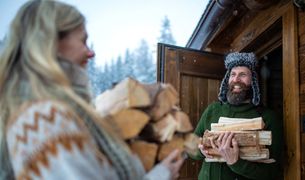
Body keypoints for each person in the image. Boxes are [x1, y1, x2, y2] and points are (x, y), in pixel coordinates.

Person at [0, 1, 184, 179]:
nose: (91, 52)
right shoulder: (43, 120)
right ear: (50, 43)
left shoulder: (47, 113)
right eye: (83, 41)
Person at [190, 52, 284, 180]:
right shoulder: (212, 110)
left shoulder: (267, 117)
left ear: (253, 81)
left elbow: (275, 172)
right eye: (233, 74)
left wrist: (236, 163)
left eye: (243, 75)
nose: (236, 79)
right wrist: (201, 151)